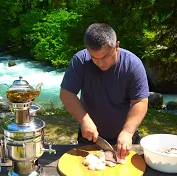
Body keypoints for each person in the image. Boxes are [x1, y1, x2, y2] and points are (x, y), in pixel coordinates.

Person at [59, 23, 149, 160]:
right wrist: (84, 120)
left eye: (105, 57)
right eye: (94, 58)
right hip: (90, 135)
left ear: (116, 46)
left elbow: (140, 102)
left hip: (125, 137)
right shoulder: (80, 60)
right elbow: (66, 94)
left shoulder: (133, 65)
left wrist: (127, 131)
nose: (100, 63)